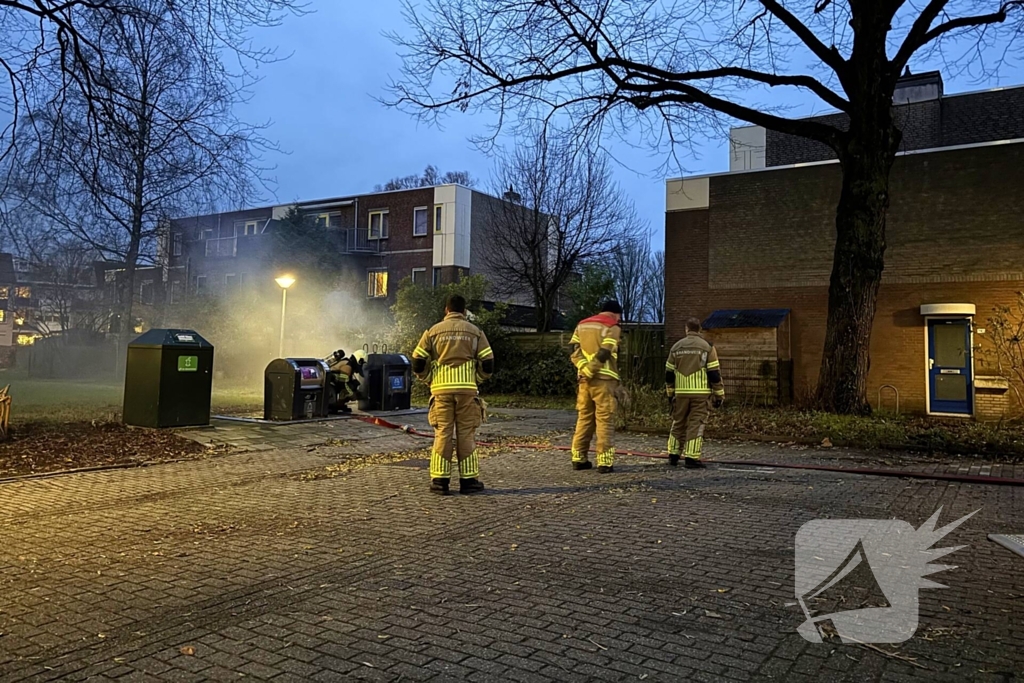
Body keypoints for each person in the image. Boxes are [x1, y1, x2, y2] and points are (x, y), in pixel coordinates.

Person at [412, 294, 494, 495]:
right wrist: (477, 378)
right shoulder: (475, 332)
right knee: (466, 434)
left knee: (443, 433)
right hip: (467, 390)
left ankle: (440, 481)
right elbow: (488, 362)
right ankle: (469, 481)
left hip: (440, 391)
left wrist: (429, 378)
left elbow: (417, 361)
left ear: (446, 310)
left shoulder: (432, 331)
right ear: (464, 312)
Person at [569, 300, 623, 473]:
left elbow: (574, 351)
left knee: (584, 418)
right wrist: (591, 370)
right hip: (604, 381)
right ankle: (605, 462)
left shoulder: (582, 325)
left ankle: (578, 458)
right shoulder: (612, 327)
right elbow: (605, 352)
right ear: (616, 314)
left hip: (584, 380)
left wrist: (583, 369)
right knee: (604, 420)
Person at [665, 317, 725, 468]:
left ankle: (673, 455)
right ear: (700, 330)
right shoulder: (707, 347)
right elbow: (714, 374)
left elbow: (669, 373)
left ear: (686, 329)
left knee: (678, 422)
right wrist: (719, 394)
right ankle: (691, 458)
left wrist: (670, 393)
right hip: (700, 393)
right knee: (696, 424)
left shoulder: (676, 347)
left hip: (681, 393)